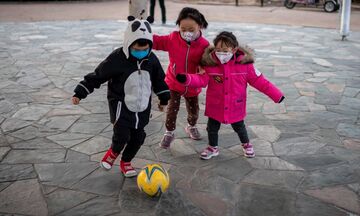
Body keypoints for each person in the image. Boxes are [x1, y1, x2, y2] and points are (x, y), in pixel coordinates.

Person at [71, 16, 170, 177]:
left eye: (144, 49)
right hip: (121, 106)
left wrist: (163, 99)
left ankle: (126, 161)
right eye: (136, 49)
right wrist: (80, 92)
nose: (141, 52)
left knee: (138, 138)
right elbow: (98, 75)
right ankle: (113, 152)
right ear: (128, 43)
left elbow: (159, 79)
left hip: (142, 107)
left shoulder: (151, 59)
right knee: (122, 135)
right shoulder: (117, 58)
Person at [176, 31, 285, 159]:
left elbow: (260, 81)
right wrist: (187, 79)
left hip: (235, 104)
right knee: (212, 127)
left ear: (234, 50)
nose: (221, 53)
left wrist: (277, 95)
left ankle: (246, 144)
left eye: (225, 49)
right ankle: (213, 147)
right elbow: (201, 80)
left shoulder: (245, 65)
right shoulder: (211, 65)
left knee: (239, 126)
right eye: (218, 49)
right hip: (215, 105)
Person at [152, 7, 210, 149]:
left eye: (191, 29)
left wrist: (203, 70)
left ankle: (191, 126)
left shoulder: (205, 45)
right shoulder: (173, 38)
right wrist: (141, 33)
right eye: (183, 28)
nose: (186, 32)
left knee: (194, 110)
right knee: (172, 109)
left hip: (192, 84)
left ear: (200, 26)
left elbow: (207, 64)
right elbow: (157, 41)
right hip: (173, 82)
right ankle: (169, 132)